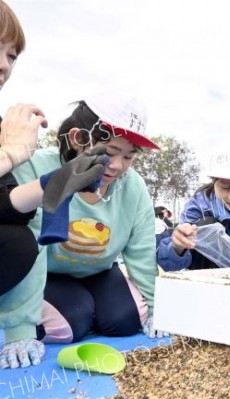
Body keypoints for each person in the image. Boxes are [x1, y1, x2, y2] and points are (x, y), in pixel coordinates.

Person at [4, 90, 166, 369]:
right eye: (110, 152)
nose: (117, 166)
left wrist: (156, 310)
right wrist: (20, 328)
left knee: (126, 320)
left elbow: (140, 250)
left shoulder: (133, 186)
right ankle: (71, 310)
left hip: (100, 271)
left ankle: (93, 305)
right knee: (71, 324)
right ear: (78, 138)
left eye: (129, 156)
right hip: (48, 274)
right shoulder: (37, 169)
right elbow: (33, 246)